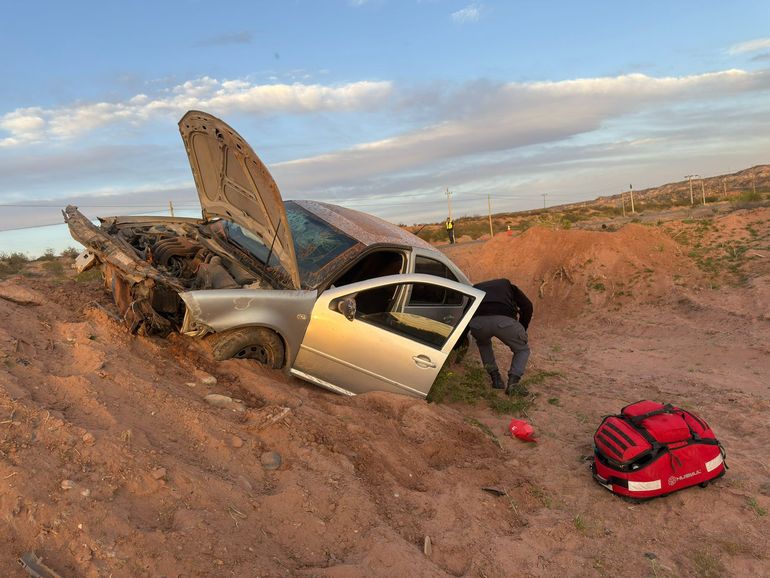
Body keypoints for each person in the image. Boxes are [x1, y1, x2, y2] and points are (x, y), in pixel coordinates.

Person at [469, 278, 533, 396]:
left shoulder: (475, 288)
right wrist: (522, 328)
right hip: (504, 322)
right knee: (522, 350)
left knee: (483, 344)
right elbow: (527, 306)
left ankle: (496, 379)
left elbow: (466, 311)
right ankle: (513, 384)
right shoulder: (508, 286)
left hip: (478, 323)